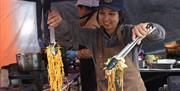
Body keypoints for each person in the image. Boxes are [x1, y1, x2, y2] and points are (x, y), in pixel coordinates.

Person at [54, 0, 166, 91]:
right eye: (102, 13)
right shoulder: (93, 36)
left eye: (111, 14)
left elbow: (160, 34)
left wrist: (148, 27)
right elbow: (71, 32)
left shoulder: (129, 32)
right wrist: (59, 22)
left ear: (120, 16)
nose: (106, 19)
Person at [47, 0, 99, 91]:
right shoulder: (87, 21)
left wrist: (76, 54)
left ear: (81, 8)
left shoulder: (94, 24)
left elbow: (98, 50)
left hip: (95, 70)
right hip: (89, 69)